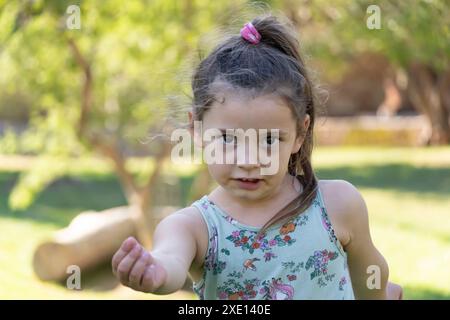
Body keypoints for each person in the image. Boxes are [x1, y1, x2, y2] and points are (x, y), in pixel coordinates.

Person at [111, 14, 403, 300]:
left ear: (300, 134)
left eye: (268, 140)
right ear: (196, 129)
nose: (250, 160)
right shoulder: (194, 227)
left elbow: (370, 280)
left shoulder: (338, 204)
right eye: (227, 139)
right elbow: (170, 259)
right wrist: (156, 272)